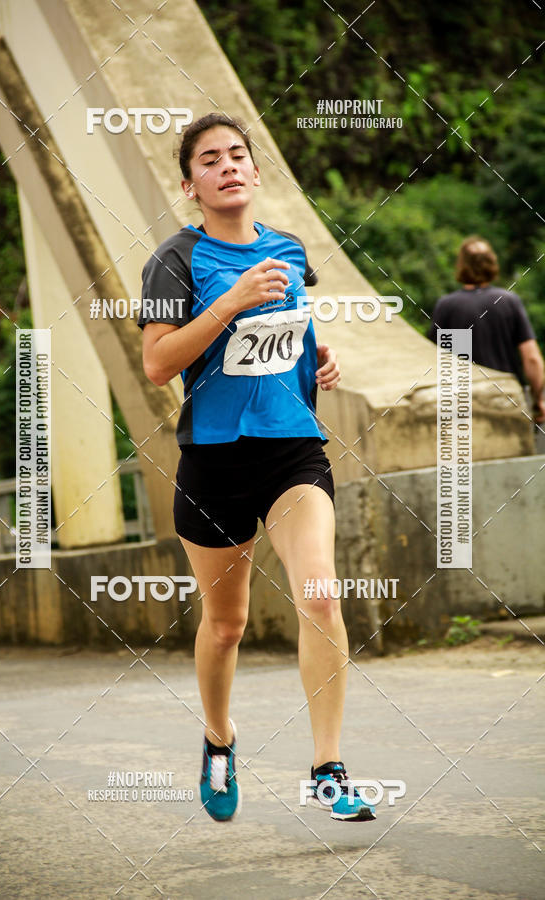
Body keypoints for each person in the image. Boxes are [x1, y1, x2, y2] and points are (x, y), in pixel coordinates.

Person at [137, 112, 375, 823]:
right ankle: (218, 738)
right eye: (209, 160)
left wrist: (319, 356)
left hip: (291, 453)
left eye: (237, 154)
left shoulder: (290, 250)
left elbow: (286, 332)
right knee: (226, 626)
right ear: (190, 186)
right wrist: (232, 303)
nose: (228, 166)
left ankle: (328, 768)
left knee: (321, 595)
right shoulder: (174, 261)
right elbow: (157, 364)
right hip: (213, 464)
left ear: (257, 170)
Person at [429, 236, 545, 424]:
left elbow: (436, 362)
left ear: (461, 265)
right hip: (506, 402)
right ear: (492, 263)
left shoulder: (447, 306)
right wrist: (538, 400)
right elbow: (532, 358)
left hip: (461, 407)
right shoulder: (508, 302)